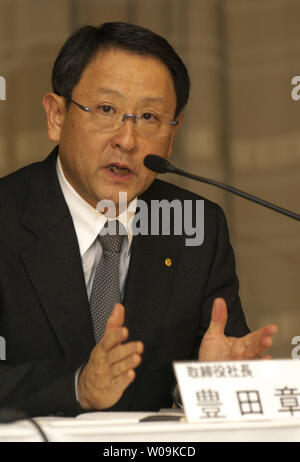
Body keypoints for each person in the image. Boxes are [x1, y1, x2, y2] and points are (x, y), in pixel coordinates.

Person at [0, 22, 277, 417]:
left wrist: (207, 383)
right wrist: (78, 386)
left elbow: (217, 373)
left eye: (149, 117)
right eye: (107, 109)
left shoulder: (195, 226)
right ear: (57, 116)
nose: (127, 140)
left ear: (173, 133)